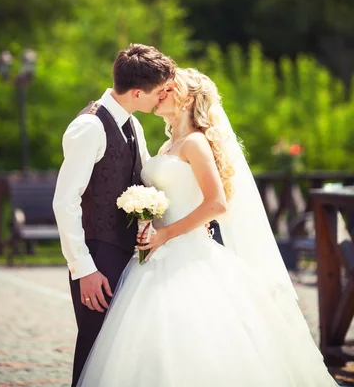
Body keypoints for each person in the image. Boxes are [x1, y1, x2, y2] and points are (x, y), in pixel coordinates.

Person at [76, 67, 338, 387]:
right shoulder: (167, 146)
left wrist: (165, 234)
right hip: (155, 255)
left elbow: (216, 204)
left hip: (186, 253)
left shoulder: (195, 143)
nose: (160, 93)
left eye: (168, 89)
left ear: (186, 98)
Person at [52, 43, 176, 387]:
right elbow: (65, 202)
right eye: (158, 92)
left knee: (120, 355)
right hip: (97, 257)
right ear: (137, 92)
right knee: (94, 351)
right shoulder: (89, 127)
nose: (161, 98)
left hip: (126, 255)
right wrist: (84, 269)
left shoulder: (133, 125)